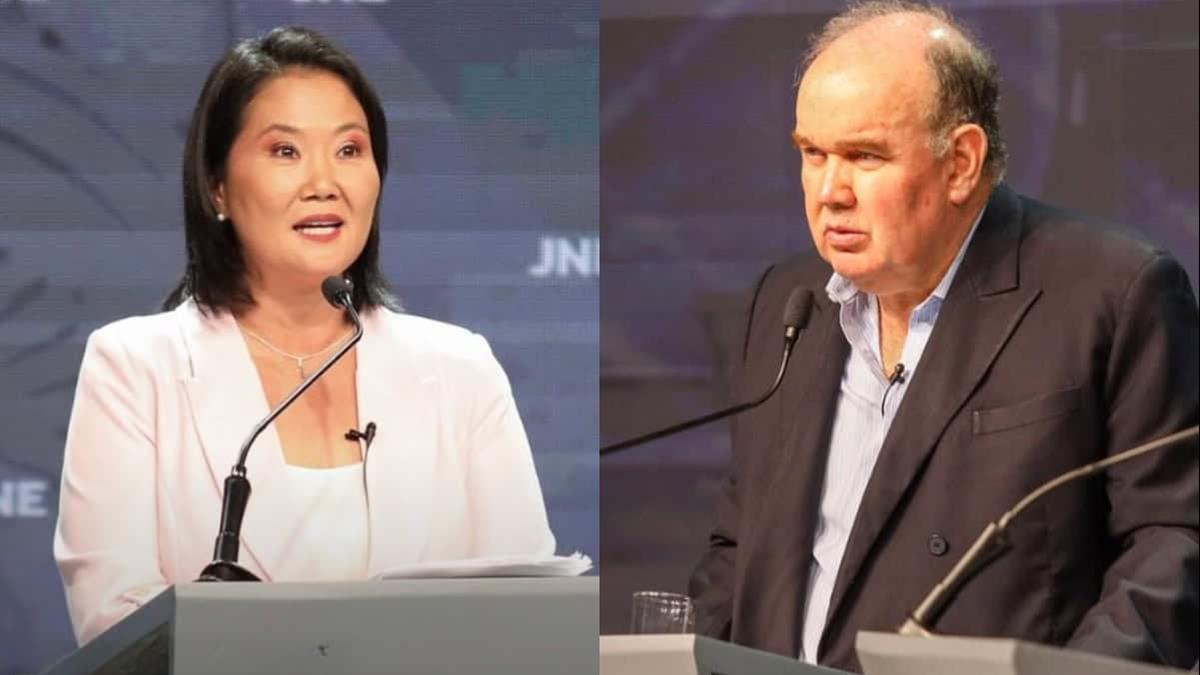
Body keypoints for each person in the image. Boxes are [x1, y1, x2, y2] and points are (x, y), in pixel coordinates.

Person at [688, 2, 1198, 671]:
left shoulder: (1111, 292)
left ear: (960, 162)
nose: (829, 190)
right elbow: (739, 544)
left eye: (864, 156)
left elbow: (1172, 544)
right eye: (812, 153)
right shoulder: (788, 304)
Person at [53, 26, 555, 646]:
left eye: (349, 149)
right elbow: (117, 619)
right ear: (216, 186)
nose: (324, 182)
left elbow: (530, 612)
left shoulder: (460, 370)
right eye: (286, 151)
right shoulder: (135, 368)